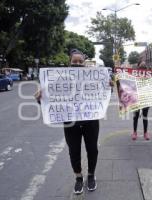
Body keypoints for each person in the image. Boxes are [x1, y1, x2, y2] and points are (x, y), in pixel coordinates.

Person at [34, 49, 102, 194]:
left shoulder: (93, 78)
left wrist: (108, 86)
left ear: (84, 63)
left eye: (80, 61)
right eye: (74, 61)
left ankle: (91, 176)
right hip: (71, 124)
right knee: (74, 151)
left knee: (92, 150)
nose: (77, 64)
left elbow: (103, 94)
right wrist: (41, 98)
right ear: (69, 63)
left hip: (91, 121)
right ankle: (78, 178)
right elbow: (51, 102)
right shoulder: (60, 80)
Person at [132, 60, 150, 140]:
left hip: (146, 98)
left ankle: (145, 133)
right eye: (141, 68)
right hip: (136, 99)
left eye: (144, 68)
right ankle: (134, 132)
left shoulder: (149, 76)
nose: (143, 69)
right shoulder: (134, 75)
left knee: (145, 117)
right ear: (138, 68)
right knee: (135, 117)